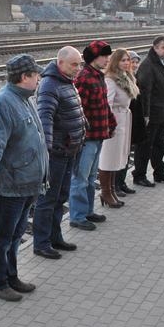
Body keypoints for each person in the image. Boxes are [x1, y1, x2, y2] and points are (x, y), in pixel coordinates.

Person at [0, 54, 48, 301]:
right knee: (2, 237)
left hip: (28, 183)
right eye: (36, 74)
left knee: (15, 235)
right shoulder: (2, 103)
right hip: (11, 185)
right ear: (24, 77)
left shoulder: (24, 99)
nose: (40, 78)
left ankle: (11, 276)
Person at [32, 46, 85, 260]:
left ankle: (55, 237)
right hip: (57, 152)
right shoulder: (50, 85)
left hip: (69, 149)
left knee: (60, 196)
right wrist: (48, 150)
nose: (78, 68)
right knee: (47, 199)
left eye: (80, 64)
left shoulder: (66, 82)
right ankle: (41, 243)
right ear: (60, 63)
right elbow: (45, 118)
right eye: (74, 64)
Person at [69, 40, 116, 230]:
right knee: (80, 178)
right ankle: (78, 216)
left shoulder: (98, 76)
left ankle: (88, 211)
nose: (107, 60)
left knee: (89, 178)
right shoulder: (84, 77)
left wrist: (111, 123)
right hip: (87, 137)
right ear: (94, 57)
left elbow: (103, 105)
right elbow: (78, 109)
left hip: (98, 135)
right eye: (104, 56)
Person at [133, 35, 164, 187]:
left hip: (162, 111)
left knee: (159, 144)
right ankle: (139, 175)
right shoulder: (148, 65)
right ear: (155, 48)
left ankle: (159, 173)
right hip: (151, 113)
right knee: (145, 145)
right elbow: (145, 91)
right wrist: (145, 114)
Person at [100, 48, 139, 208]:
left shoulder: (127, 78)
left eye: (127, 60)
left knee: (117, 158)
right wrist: (110, 125)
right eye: (123, 60)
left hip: (124, 119)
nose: (126, 63)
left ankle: (112, 190)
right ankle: (106, 192)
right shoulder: (110, 80)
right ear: (115, 61)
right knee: (108, 158)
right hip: (114, 121)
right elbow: (106, 104)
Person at [116, 49, 145, 197]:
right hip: (124, 121)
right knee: (120, 155)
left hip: (132, 122)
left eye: (135, 62)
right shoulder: (121, 79)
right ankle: (116, 184)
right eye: (130, 61)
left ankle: (121, 182)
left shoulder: (133, 78)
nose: (133, 64)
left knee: (126, 153)